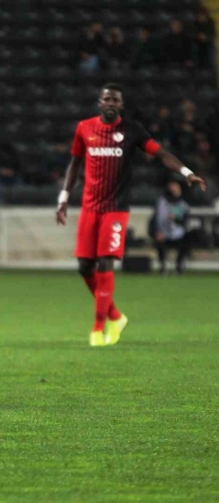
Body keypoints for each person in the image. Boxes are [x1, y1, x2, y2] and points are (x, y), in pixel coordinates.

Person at [56, 83, 206, 347]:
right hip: (90, 208)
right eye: (107, 99)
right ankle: (115, 316)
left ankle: (98, 328)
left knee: (105, 263)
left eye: (115, 100)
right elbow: (75, 165)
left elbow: (162, 154)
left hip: (116, 209)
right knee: (84, 267)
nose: (111, 103)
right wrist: (64, 197)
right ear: (100, 103)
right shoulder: (84, 129)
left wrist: (187, 173)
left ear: (121, 105)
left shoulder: (131, 131)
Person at [150, 180, 191, 274]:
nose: (174, 190)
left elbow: (185, 222)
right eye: (172, 187)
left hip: (178, 234)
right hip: (163, 234)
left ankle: (179, 266)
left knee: (187, 241)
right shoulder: (161, 202)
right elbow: (154, 219)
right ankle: (163, 267)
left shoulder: (183, 204)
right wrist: (155, 232)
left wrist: (175, 219)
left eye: (176, 188)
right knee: (160, 244)